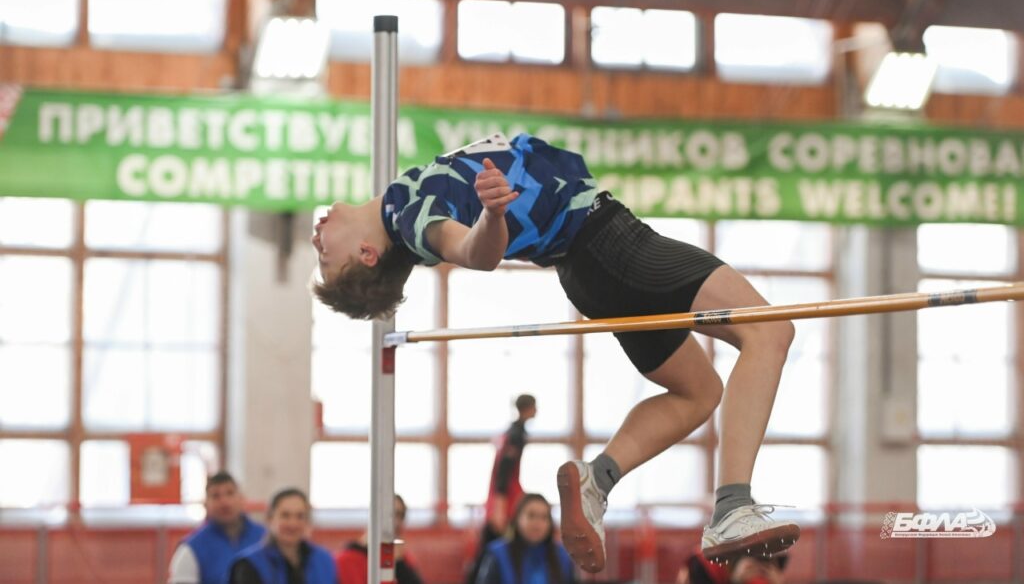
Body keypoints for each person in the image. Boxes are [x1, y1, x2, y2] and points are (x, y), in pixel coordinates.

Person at [310, 132, 799, 571]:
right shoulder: (413, 221)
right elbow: (477, 254)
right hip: (608, 244)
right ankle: (733, 505)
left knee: (699, 392)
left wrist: (491, 214)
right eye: (325, 254)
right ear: (367, 255)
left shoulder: (400, 204)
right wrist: (492, 216)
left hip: (590, 266)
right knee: (769, 333)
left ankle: (598, 481)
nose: (317, 237)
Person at [464, 393, 537, 584]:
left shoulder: (512, 432)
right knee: (492, 549)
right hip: (505, 502)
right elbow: (504, 472)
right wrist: (499, 508)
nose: (537, 411)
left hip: (504, 499)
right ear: (527, 409)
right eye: (534, 406)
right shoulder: (516, 435)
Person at [168, 471, 267, 584]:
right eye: (216, 496)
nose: (224, 502)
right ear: (206, 504)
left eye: (230, 493)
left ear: (242, 498)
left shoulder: (265, 538)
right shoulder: (191, 548)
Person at [229, 487, 337, 584]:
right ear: (270, 519)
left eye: (300, 516)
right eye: (285, 515)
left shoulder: (323, 560)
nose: (293, 524)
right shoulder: (248, 565)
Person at [475, 494, 574, 584]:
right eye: (531, 516)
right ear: (517, 518)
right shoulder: (498, 554)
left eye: (544, 517)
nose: (537, 524)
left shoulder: (562, 556)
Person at [335, 494, 424, 584]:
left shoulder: (404, 558)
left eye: (400, 515)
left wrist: (398, 563)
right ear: (373, 516)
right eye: (388, 514)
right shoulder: (346, 560)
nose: (395, 522)